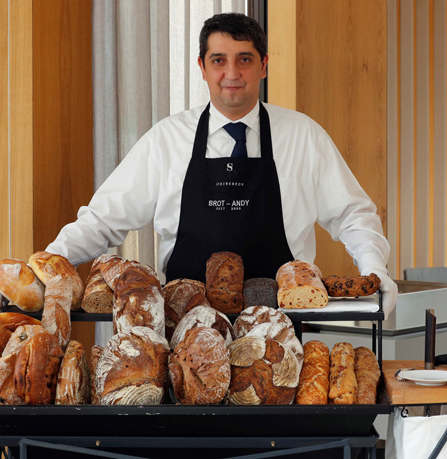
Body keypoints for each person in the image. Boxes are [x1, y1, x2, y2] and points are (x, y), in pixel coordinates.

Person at [46, 13, 398, 317]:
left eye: (244, 59)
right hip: (185, 328)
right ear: (202, 67)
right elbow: (103, 219)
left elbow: (352, 215)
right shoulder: (167, 139)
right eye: (218, 60)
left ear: (263, 65)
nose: (232, 73)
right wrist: (49, 264)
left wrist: (374, 269)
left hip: (281, 328)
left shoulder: (303, 136)